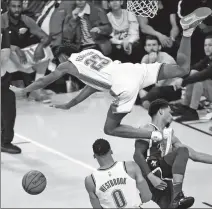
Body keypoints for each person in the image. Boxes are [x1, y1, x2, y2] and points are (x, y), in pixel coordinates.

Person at [19, 8, 212, 142]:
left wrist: (24, 89)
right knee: (182, 69)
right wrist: (70, 104)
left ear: (63, 55)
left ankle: (155, 135)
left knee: (110, 129)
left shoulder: (67, 66)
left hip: (123, 85)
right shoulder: (92, 52)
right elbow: (92, 85)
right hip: (132, 69)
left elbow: (45, 79)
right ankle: (188, 30)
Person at [134, 99, 212, 208]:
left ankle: (176, 197)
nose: (172, 115)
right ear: (161, 111)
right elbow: (137, 155)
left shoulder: (171, 137)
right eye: (169, 112)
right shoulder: (147, 129)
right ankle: (178, 195)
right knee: (182, 150)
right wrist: (151, 176)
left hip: (163, 181)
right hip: (150, 173)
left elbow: (195, 155)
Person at [85, 138, 152, 208]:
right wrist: (135, 201)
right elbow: (147, 196)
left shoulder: (90, 180)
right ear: (111, 151)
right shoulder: (130, 166)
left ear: (94, 156)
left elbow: (97, 207)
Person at [1, 18, 21, 154]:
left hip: (2, 76)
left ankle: (5, 141)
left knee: (8, 105)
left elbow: (5, 55)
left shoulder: (3, 31)